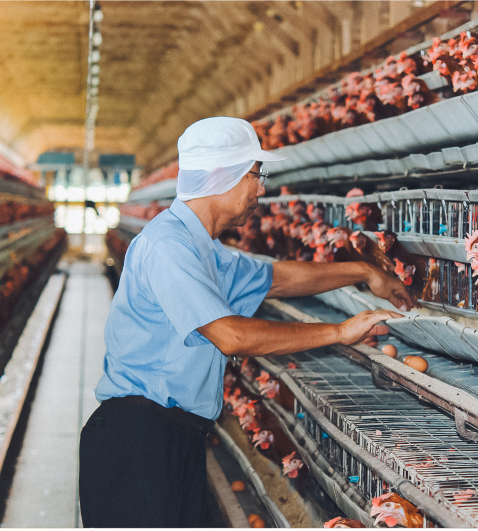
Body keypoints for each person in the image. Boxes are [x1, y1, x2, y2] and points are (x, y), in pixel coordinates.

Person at [79, 116, 415, 528]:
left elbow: (281, 278)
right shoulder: (167, 246)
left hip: (173, 436)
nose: (261, 188)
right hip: (137, 442)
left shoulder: (206, 249)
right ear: (222, 177)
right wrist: (338, 332)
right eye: (255, 175)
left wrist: (364, 272)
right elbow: (231, 335)